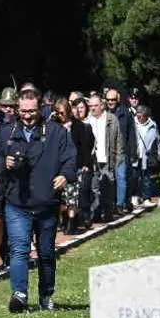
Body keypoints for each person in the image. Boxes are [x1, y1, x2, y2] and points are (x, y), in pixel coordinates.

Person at [0, 88, 76, 313]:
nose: (27, 115)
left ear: (40, 109)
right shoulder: (6, 132)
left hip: (46, 201)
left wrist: (65, 175)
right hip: (17, 202)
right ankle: (19, 294)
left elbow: (70, 158)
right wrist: (5, 163)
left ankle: (46, 295)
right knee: (19, 249)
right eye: (23, 111)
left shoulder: (56, 132)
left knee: (46, 252)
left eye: (31, 111)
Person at [85, 92, 123, 223]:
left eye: (95, 105)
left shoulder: (112, 119)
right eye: (90, 106)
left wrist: (118, 158)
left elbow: (118, 140)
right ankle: (95, 213)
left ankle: (108, 213)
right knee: (94, 187)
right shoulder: (87, 120)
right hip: (93, 160)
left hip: (107, 158)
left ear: (102, 105)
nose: (92, 108)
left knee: (108, 187)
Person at [61, 99, 95, 235]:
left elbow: (85, 147)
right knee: (62, 198)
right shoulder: (56, 126)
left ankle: (71, 222)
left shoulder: (80, 126)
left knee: (73, 197)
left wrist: (86, 164)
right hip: (60, 165)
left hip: (76, 165)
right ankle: (64, 219)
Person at [106, 86, 132, 212]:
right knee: (110, 179)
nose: (110, 102)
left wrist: (131, 151)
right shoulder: (104, 114)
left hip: (121, 150)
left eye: (112, 99)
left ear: (117, 100)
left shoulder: (125, 113)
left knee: (121, 176)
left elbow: (131, 134)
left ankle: (120, 204)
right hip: (108, 151)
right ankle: (111, 203)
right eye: (108, 100)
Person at [131, 104, 160, 204]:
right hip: (135, 155)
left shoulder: (153, 125)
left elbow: (157, 141)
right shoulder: (132, 123)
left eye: (141, 116)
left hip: (146, 156)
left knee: (146, 177)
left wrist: (158, 154)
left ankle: (146, 198)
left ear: (146, 115)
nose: (139, 118)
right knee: (134, 177)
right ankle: (135, 196)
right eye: (138, 115)